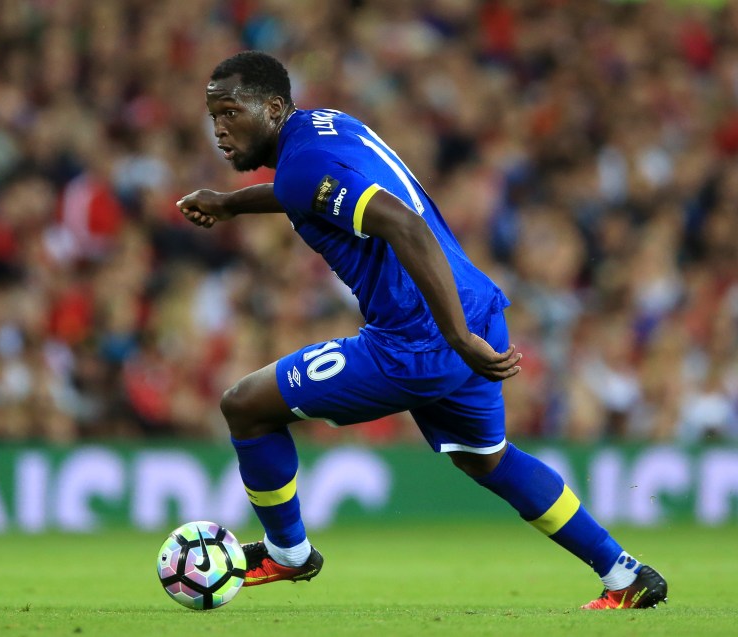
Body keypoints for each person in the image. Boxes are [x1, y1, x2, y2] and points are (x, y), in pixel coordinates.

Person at [177, 50, 667, 610]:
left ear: (272, 107)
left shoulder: (302, 168)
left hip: (419, 340)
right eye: (213, 115)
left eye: (231, 113)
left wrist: (454, 336)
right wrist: (232, 204)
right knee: (487, 457)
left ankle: (287, 553)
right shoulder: (326, 126)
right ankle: (623, 572)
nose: (219, 127)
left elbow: (401, 224)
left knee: (244, 405)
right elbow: (302, 193)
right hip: (477, 305)